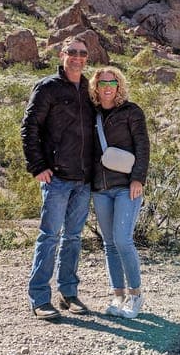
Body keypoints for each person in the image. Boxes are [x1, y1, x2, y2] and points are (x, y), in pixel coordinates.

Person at [21, 35, 95, 320]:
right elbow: (29, 129)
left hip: (83, 177)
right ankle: (40, 298)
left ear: (87, 57)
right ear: (61, 54)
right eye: (72, 52)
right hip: (56, 178)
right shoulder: (48, 87)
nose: (78, 57)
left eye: (83, 53)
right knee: (49, 237)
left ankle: (69, 293)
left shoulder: (89, 88)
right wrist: (38, 166)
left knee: (73, 238)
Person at [89, 66, 150, 319]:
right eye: (102, 83)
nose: (106, 87)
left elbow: (143, 145)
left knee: (123, 239)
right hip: (100, 188)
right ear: (95, 86)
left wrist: (138, 179)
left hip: (126, 187)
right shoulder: (91, 115)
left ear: (118, 85)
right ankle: (118, 295)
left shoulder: (131, 111)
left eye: (111, 82)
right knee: (109, 243)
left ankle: (135, 295)